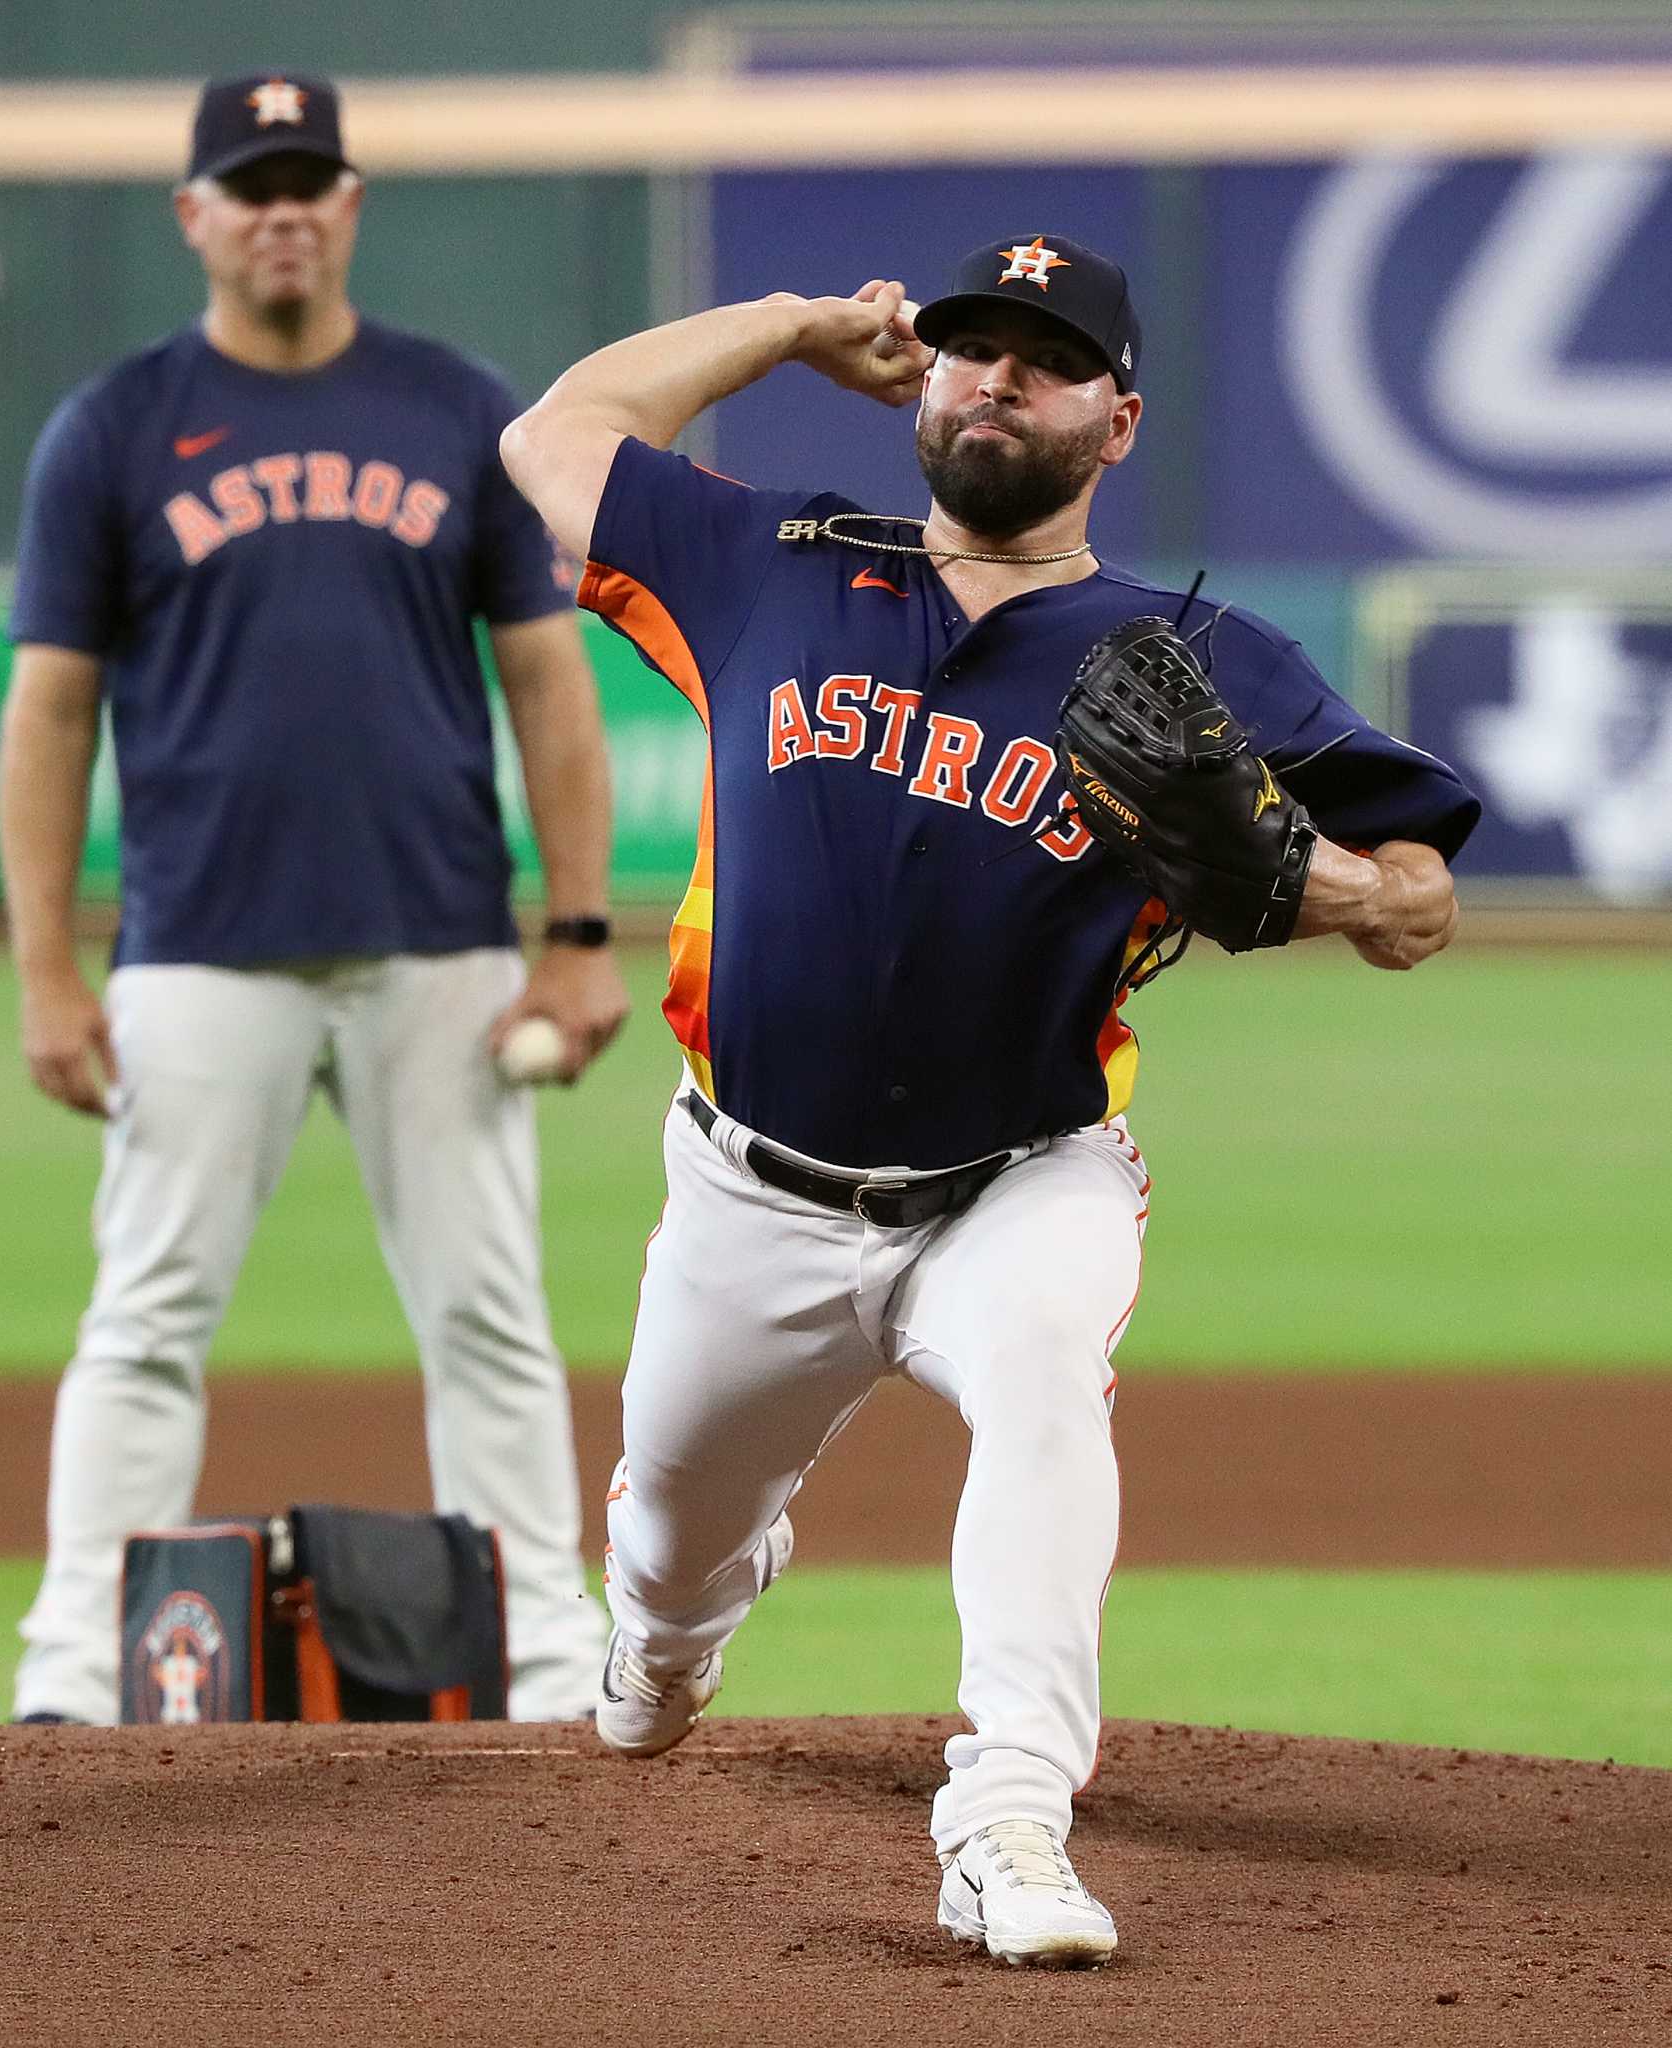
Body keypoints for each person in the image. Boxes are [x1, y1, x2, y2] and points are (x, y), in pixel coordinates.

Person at [500, 234, 1478, 1963]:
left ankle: (1008, 1820)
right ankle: (667, 1637)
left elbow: (1417, 896)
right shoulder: (768, 563)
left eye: (1042, 357)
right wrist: (796, 328)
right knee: (661, 1550)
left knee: (1042, 1385)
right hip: (749, 1189)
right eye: (968, 347)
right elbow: (551, 435)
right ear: (923, 380)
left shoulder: (1206, 659)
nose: (994, 377)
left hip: (1023, 1176)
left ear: (1117, 419)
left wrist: (1305, 880)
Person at [0, 71, 627, 1727]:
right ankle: (74, 1672)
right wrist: (45, 973)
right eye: (248, 183)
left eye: (309, 181)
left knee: (488, 1318)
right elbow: (51, 711)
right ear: (193, 215)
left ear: (350, 206)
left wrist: (573, 938)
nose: (282, 209)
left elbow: (548, 686)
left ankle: (549, 1671)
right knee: (144, 1316)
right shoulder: (115, 428)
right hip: (200, 951)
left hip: (442, 950)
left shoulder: (451, 407)